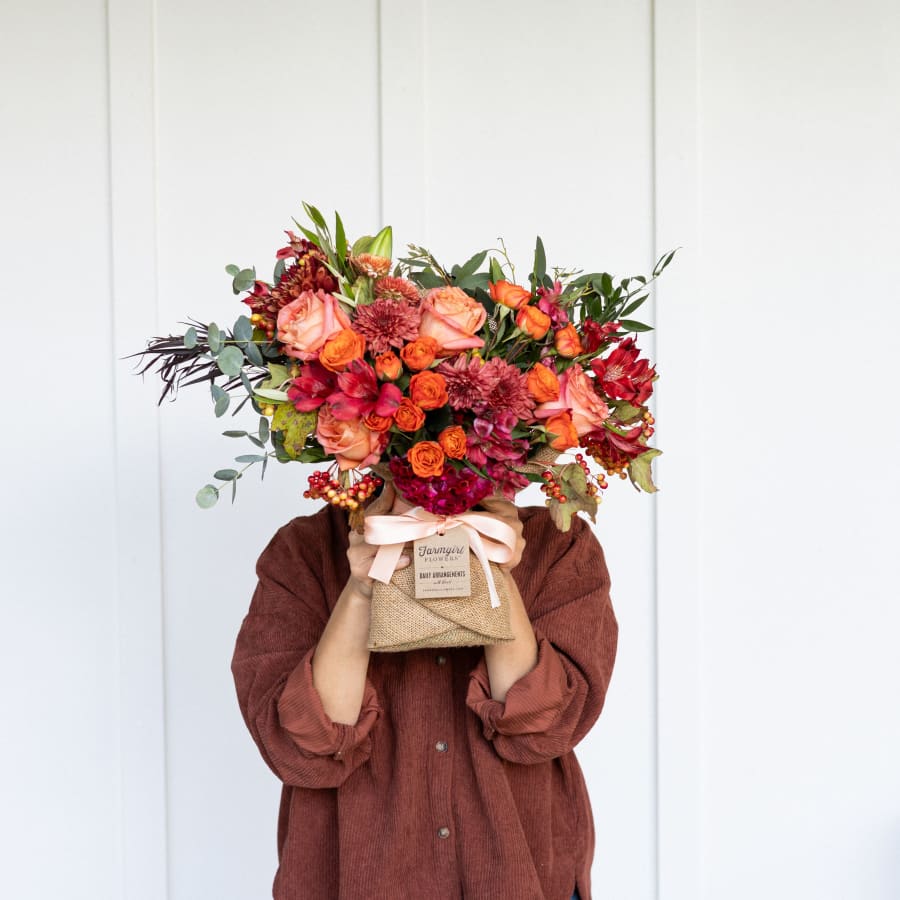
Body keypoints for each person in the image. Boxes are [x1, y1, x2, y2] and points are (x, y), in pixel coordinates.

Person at [231, 479, 619, 900]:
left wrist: (494, 565)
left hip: (519, 877)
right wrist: (361, 589)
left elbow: (540, 727)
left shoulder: (557, 543)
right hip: (358, 881)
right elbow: (307, 749)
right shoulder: (304, 550)